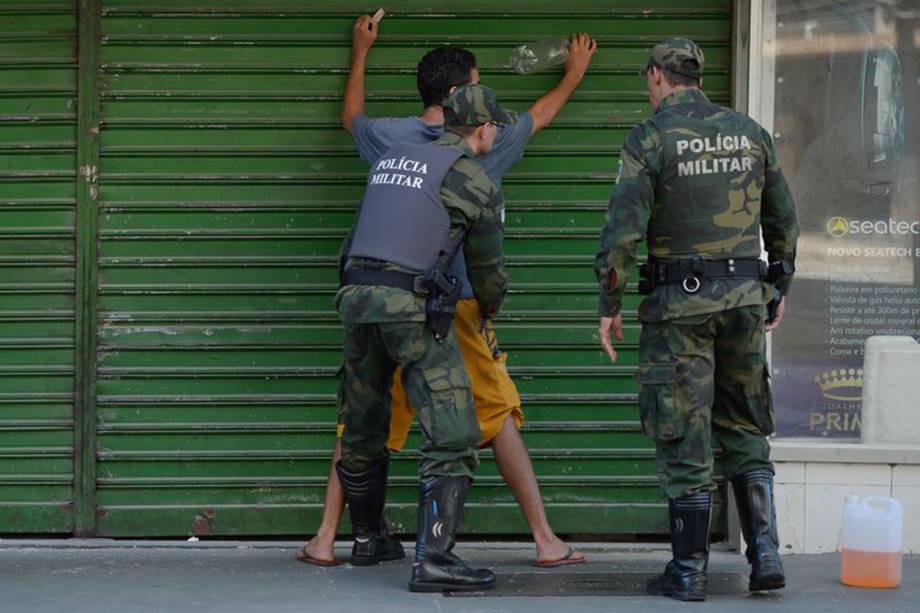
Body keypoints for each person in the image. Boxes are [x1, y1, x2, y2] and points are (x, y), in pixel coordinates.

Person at [297, 13, 596, 568]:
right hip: (445, 303)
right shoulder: (483, 150)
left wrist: (361, 49)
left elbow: (351, 117)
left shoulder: (389, 141)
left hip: (370, 299)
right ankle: (537, 541)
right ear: (465, 101)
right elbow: (539, 118)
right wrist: (574, 75)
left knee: (363, 418)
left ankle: (327, 538)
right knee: (488, 415)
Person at [594, 38, 798, 602]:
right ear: (697, 77)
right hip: (742, 302)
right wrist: (776, 288)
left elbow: (622, 232)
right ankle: (766, 557)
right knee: (743, 425)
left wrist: (609, 304)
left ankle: (688, 572)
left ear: (658, 76)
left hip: (679, 309)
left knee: (684, 431)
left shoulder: (651, 137)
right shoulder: (750, 131)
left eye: (648, 77)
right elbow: (783, 217)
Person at [334, 83, 511, 592]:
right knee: (454, 429)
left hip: (357, 297)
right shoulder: (473, 179)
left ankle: (369, 539)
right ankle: (435, 559)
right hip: (409, 305)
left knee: (364, 422)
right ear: (485, 129)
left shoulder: (393, 158)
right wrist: (489, 309)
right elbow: (487, 268)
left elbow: (357, 235)